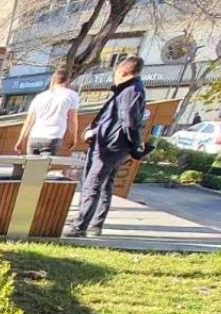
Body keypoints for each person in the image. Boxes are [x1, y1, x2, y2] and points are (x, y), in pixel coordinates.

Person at [67, 56, 151, 238]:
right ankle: (93, 224)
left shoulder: (130, 91)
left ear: (123, 71)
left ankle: (80, 226)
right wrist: (95, 131)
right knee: (104, 185)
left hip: (109, 147)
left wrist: (136, 146)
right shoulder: (127, 90)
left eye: (115, 73)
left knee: (93, 184)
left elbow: (128, 121)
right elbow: (116, 120)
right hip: (110, 144)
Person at [14, 69, 79, 156]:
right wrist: (73, 138)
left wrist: (21, 140)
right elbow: (72, 121)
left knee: (30, 168)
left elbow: (29, 121)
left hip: (34, 137)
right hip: (53, 137)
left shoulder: (40, 97)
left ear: (53, 79)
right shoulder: (71, 95)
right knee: (43, 168)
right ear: (67, 80)